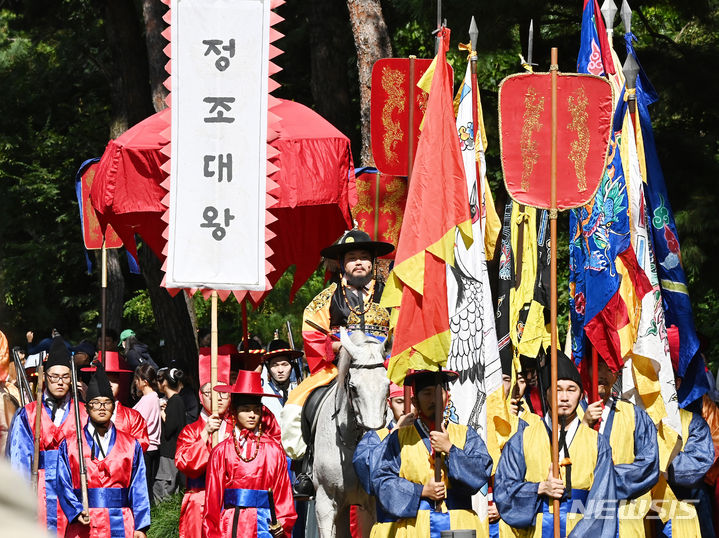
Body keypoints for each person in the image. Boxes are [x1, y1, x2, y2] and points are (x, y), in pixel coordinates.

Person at [282, 229, 393, 494]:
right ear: (343, 263)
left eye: (363, 257)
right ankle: (307, 468)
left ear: (373, 262)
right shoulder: (327, 297)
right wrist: (340, 348)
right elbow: (311, 332)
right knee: (295, 407)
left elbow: (404, 331)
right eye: (352, 257)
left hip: (383, 367)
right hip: (337, 368)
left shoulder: (392, 296)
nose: (358, 262)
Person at [494, 349, 617, 537]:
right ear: (547, 393)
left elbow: (603, 502)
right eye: (558, 390)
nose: (565, 397)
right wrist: (539, 488)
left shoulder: (598, 444)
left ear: (581, 395)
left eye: (571, 390)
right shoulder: (522, 439)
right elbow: (503, 492)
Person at [369, 370, 493, 537]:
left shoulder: (465, 434)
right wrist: (420, 491)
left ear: (447, 397)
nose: (434, 399)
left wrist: (450, 449)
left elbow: (481, 472)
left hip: (459, 523)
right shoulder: (399, 438)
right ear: (415, 401)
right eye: (427, 394)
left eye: (438, 393)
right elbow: (381, 481)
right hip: (416, 526)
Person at [56, 363, 151, 537]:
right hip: (83, 522)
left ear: (113, 406)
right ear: (86, 407)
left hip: (121, 521)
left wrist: (141, 525)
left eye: (106, 403)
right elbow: (63, 483)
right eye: (95, 403)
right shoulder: (69, 445)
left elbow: (139, 486)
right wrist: (76, 511)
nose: (101, 407)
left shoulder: (130, 445)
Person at [203, 370, 296, 537]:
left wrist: (283, 522)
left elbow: (283, 493)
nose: (252, 415)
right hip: (232, 523)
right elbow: (212, 499)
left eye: (256, 410)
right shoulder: (221, 451)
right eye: (246, 409)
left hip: (267, 524)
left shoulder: (273, 450)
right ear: (234, 411)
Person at [7, 335, 82, 536]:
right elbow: (19, 459)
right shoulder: (29, 414)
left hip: (74, 489)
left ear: (72, 378)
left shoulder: (82, 413)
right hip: (38, 486)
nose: (60, 382)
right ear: (44, 376)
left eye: (65, 377)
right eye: (54, 377)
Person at [581, 357, 659, 536]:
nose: (603, 374)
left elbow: (649, 464)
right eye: (598, 366)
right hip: (581, 513)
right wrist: (584, 424)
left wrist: (605, 479)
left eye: (609, 369)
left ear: (616, 376)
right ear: (586, 369)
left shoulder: (634, 415)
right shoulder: (570, 414)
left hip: (622, 513)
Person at [174, 350, 232, 538]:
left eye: (224, 392)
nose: (219, 398)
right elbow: (185, 464)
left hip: (232, 504)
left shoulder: (238, 428)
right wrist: (205, 434)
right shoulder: (190, 431)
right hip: (200, 499)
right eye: (212, 392)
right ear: (201, 396)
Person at [353, 382, 416, 536]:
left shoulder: (430, 436)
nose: (405, 408)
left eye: (412, 402)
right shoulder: (375, 437)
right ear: (389, 403)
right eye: (399, 402)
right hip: (389, 523)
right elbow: (366, 472)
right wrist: (394, 433)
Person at [83, 352, 150, 451]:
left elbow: (140, 446)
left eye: (113, 380)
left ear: (119, 382)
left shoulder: (133, 417)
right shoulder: (82, 413)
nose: (109, 384)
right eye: (105, 380)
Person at [154, 367, 186, 502]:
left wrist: (161, 412)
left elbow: (170, 428)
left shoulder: (174, 401)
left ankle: (163, 517)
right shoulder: (176, 401)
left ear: (165, 383)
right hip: (174, 451)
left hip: (169, 451)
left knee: (164, 486)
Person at [132, 363, 162, 500]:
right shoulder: (153, 398)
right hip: (150, 445)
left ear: (144, 382)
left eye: (137, 379)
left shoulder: (149, 399)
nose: (135, 382)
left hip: (146, 445)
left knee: (144, 483)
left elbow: (138, 422)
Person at [262, 338, 302, 419]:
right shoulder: (262, 394)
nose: (280, 370)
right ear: (268, 367)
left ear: (292, 366)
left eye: (285, 364)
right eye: (275, 365)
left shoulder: (300, 391)